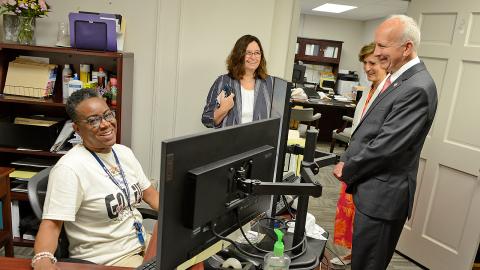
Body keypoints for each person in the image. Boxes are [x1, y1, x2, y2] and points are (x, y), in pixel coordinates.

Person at [333, 15, 438, 270]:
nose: (377, 53)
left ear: (407, 48)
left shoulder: (417, 87)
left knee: (368, 264)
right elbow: (368, 128)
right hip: (371, 191)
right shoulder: (397, 78)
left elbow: (386, 147)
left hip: (384, 199)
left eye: (382, 46)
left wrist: (348, 168)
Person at [32, 89, 159, 269]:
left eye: (108, 115)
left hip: (142, 244)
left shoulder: (123, 153)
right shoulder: (69, 169)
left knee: (192, 255)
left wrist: (179, 215)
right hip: (108, 261)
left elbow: (150, 194)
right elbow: (52, 225)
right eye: (93, 120)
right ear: (77, 129)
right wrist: (43, 259)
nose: (106, 124)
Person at [331, 42, 387, 266]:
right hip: (354, 158)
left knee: (362, 212)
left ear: (385, 61)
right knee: (350, 208)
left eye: (372, 62)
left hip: (368, 162)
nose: (367, 67)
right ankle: (353, 252)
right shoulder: (369, 90)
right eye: (365, 63)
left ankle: (359, 254)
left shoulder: (387, 92)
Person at [201, 34, 274, 128]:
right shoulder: (223, 81)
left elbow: (278, 116)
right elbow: (206, 120)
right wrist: (223, 109)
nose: (253, 57)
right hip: (230, 141)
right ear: (239, 55)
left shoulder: (271, 83)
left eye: (257, 53)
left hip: (261, 141)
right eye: (248, 53)